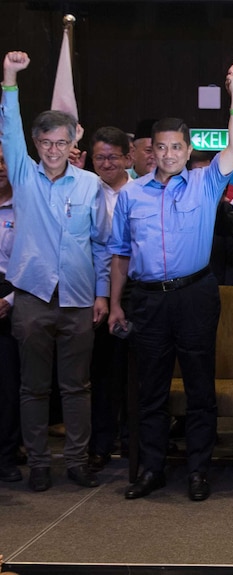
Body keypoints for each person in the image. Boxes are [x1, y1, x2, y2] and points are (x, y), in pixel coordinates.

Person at [108, 63, 233, 502]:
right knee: (149, 390)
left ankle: (198, 471)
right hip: (147, 300)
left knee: (199, 386)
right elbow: (119, 255)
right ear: (151, 152)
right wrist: (114, 304)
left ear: (188, 151)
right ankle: (150, 470)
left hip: (195, 295)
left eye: (176, 148)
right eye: (161, 148)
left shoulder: (206, 183)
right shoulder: (131, 194)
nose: (168, 155)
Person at [1, 51, 111, 492]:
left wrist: (103, 294)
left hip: (80, 300)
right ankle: (41, 465)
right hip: (31, 299)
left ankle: (78, 461)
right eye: (45, 142)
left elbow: (103, 244)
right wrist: (10, 77)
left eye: (60, 143)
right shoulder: (24, 175)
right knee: (32, 389)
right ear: (35, 144)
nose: (52, 150)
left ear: (72, 145)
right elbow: (8, 126)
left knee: (77, 387)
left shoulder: (90, 185)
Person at [87, 126, 135, 472]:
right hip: (94, 294)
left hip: (137, 292)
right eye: (99, 157)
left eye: (113, 156)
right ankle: (101, 444)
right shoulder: (85, 191)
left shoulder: (142, 191)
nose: (106, 163)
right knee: (103, 373)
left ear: (127, 158)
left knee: (138, 372)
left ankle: (135, 443)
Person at [0, 142, 23, 484]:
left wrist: (11, 299)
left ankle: (5, 455)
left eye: (4, 160)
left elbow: (38, 257)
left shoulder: (25, 207)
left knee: (7, 385)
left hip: (12, 297)